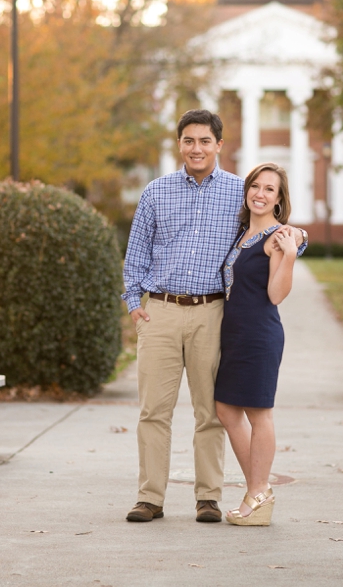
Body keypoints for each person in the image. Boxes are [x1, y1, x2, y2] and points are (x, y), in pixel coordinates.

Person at [121, 110, 307, 524]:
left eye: (205, 140)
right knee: (154, 411)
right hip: (161, 312)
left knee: (211, 411)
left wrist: (298, 237)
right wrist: (134, 302)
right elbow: (135, 255)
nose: (196, 148)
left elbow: (271, 225)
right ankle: (150, 497)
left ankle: (208, 497)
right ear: (180, 144)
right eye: (189, 140)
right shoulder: (156, 192)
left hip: (212, 313)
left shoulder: (237, 192)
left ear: (219, 145)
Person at [214, 162, 297, 527]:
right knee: (227, 411)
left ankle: (258, 495)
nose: (260, 194)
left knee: (258, 414)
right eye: (255, 187)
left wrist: (291, 255)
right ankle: (258, 490)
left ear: (279, 200)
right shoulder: (243, 233)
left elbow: (276, 294)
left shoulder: (277, 239)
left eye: (269, 190)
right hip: (234, 334)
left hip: (259, 335)